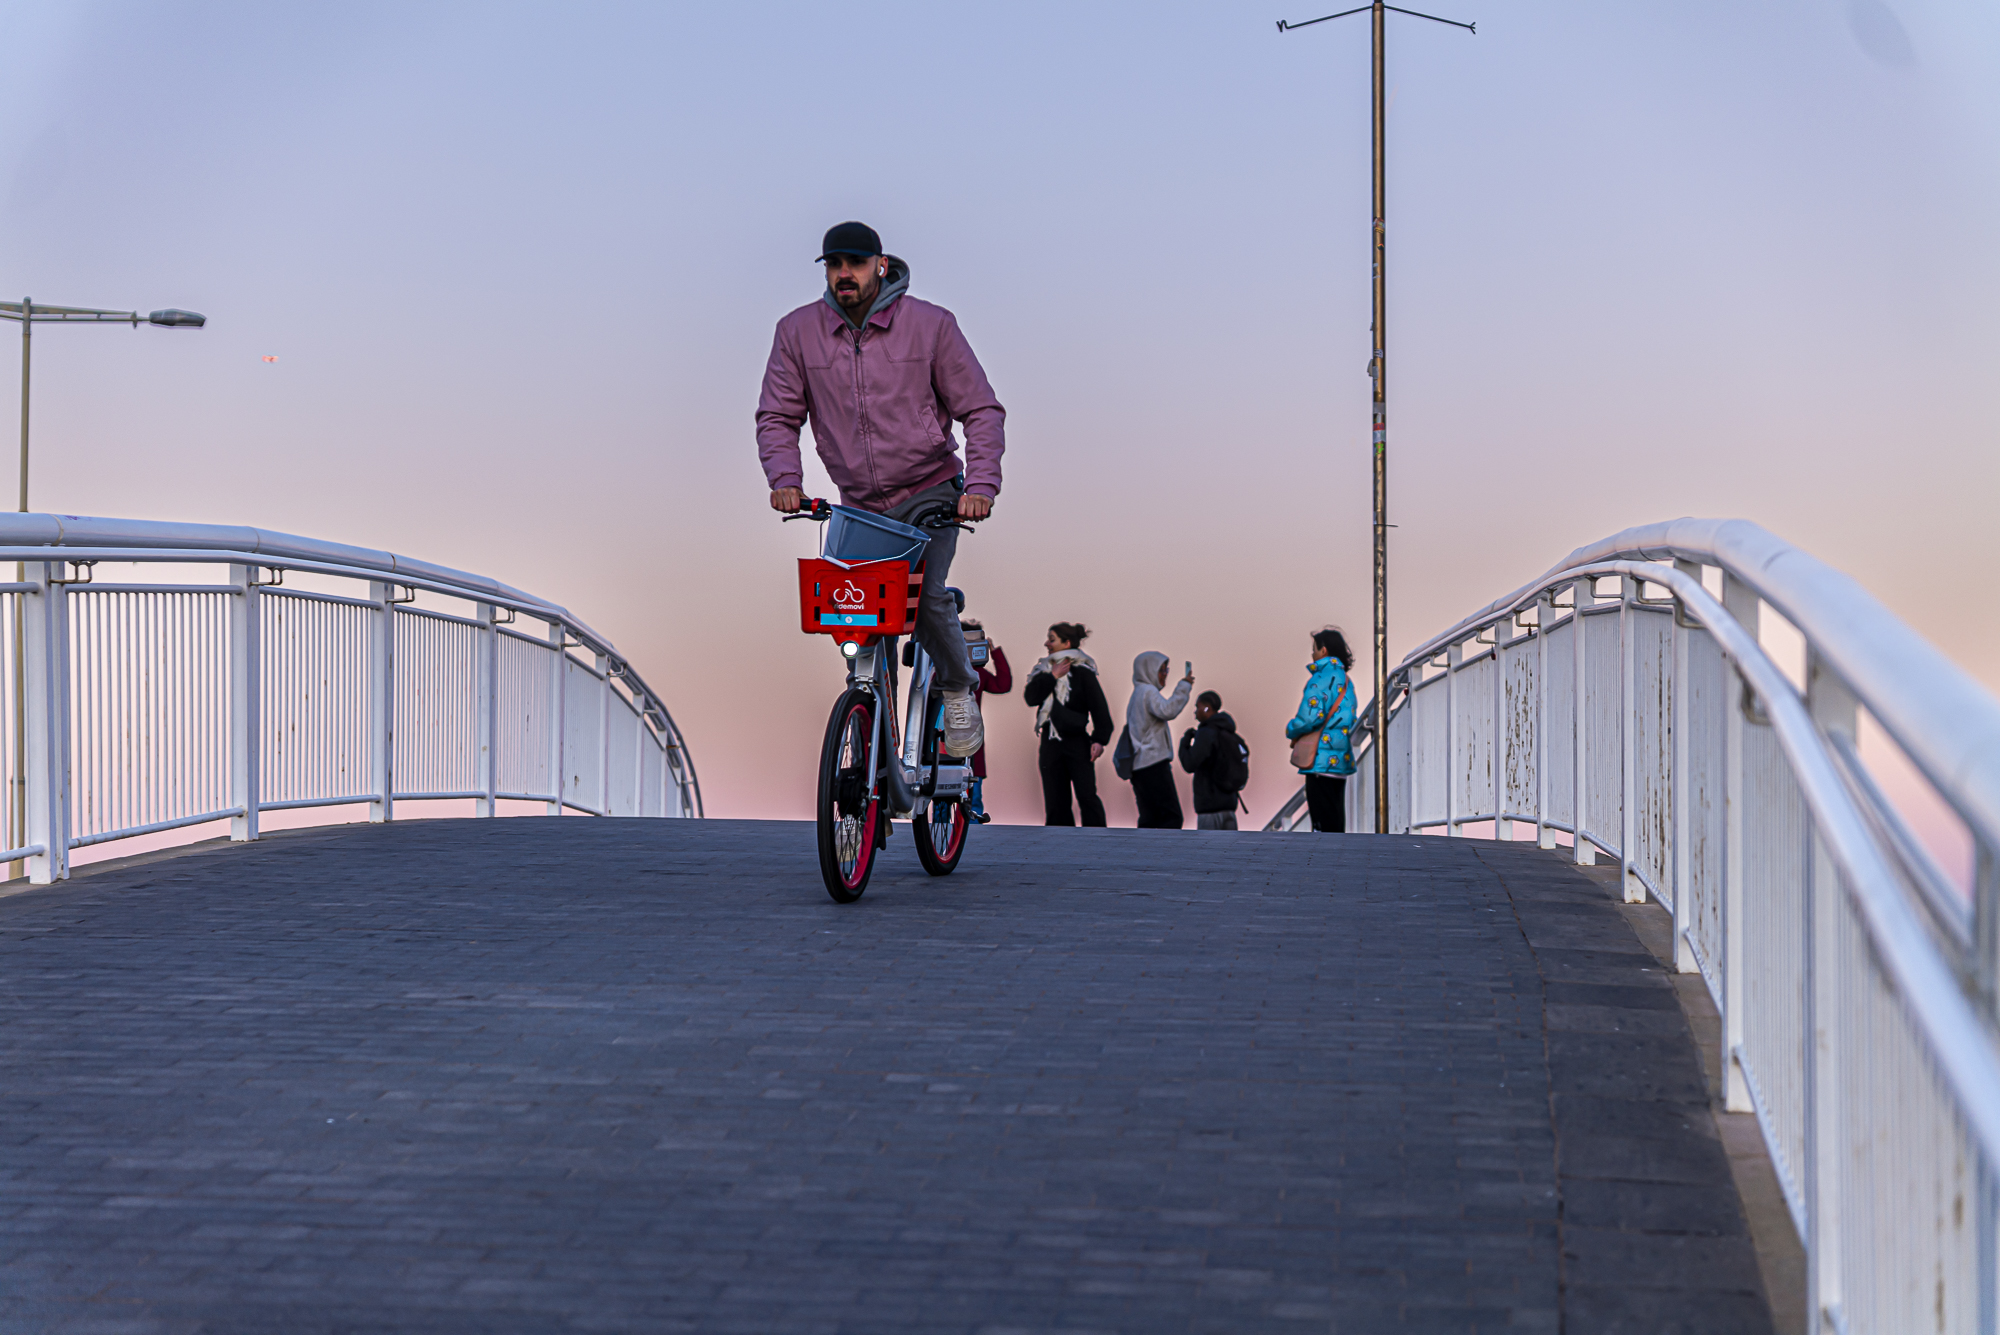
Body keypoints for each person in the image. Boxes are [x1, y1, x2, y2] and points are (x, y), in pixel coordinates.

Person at [756, 220, 1004, 758]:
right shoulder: (797, 332)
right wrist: (786, 482)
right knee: (856, 617)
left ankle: (959, 685)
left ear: (881, 265)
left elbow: (980, 410)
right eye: (834, 265)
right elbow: (777, 415)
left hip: (931, 490)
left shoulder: (931, 326)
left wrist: (980, 485)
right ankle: (873, 726)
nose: (845, 274)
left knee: (927, 596)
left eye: (856, 264)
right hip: (861, 505)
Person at [1022, 623, 1112, 827]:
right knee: (1055, 801)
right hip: (1050, 742)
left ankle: (1099, 842)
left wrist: (1099, 740)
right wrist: (1052, 676)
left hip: (1077, 742)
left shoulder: (1083, 673)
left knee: (1087, 796)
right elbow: (1031, 698)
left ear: (1067, 643)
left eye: (1052, 639)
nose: (1047, 643)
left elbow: (1100, 709)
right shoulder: (1043, 671)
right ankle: (1059, 847)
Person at [1286, 627, 1359, 832]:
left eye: (1314, 649)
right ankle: (1339, 860)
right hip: (1340, 759)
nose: (1312, 654)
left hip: (1320, 761)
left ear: (1324, 650)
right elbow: (1350, 716)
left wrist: (1291, 729)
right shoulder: (1346, 680)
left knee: (1321, 824)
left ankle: (1323, 861)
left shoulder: (1319, 679)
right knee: (1336, 823)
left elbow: (1310, 717)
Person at [1124, 652, 1193, 828]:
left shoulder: (1137, 694)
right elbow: (1168, 710)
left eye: (1165, 670)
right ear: (1148, 671)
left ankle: (1146, 853)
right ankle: (1166, 854)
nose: (1165, 674)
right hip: (1152, 763)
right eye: (1161, 670)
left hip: (1139, 766)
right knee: (1171, 816)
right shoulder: (1147, 691)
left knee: (1150, 818)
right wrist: (1184, 686)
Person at [961, 619, 1011, 823]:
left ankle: (973, 838)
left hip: (973, 747)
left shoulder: (978, 674)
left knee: (974, 798)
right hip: (943, 745)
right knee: (942, 804)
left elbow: (1003, 684)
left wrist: (995, 653)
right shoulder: (939, 671)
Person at [1179, 691, 1248, 831]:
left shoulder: (1207, 733)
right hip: (1229, 808)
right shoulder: (1228, 733)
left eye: (1197, 707)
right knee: (1230, 852)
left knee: (1208, 852)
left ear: (1206, 708)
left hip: (1209, 810)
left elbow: (1190, 764)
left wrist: (1184, 743)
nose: (1194, 712)